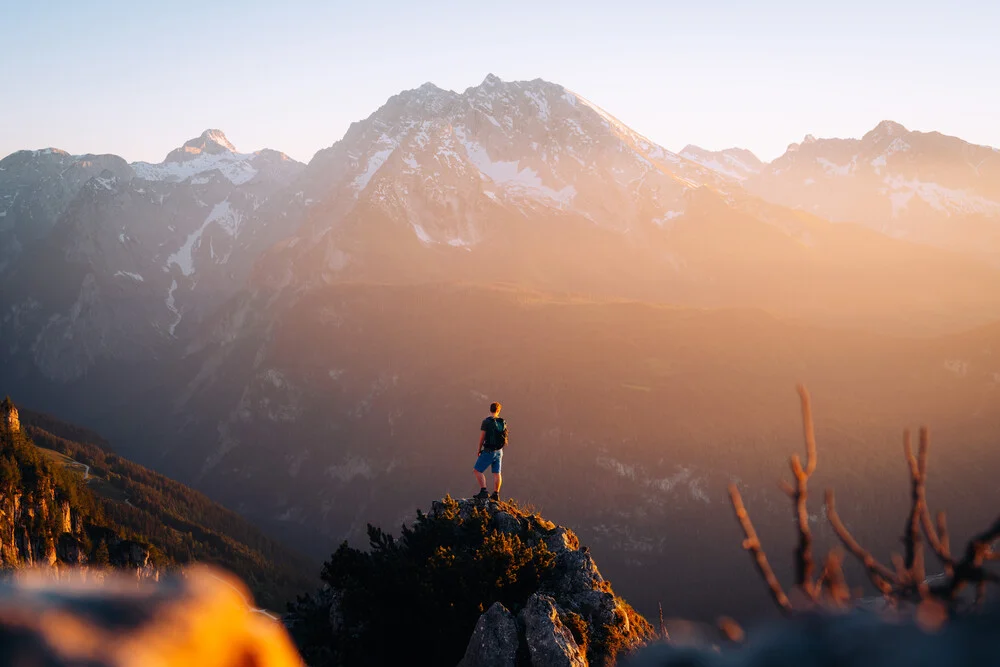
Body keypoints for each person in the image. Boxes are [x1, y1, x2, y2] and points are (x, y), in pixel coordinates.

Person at [473, 402, 507, 501]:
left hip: (489, 451)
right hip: (499, 451)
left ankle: (483, 491)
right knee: (497, 473)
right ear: (498, 410)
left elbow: (482, 437)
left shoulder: (486, 422)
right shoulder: (502, 422)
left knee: (477, 470)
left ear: (490, 409)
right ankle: (496, 494)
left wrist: (479, 449)